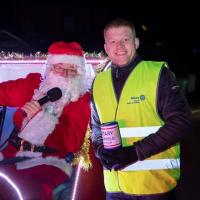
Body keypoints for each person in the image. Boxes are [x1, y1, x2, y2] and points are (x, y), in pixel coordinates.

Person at [90, 18, 192, 200]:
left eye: (125, 40)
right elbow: (96, 127)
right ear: (106, 48)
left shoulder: (158, 74)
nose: (119, 46)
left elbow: (181, 122)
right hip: (115, 187)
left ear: (136, 43)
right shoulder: (98, 82)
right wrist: (100, 150)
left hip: (154, 186)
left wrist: (134, 152)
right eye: (113, 41)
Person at [0, 41, 91, 199]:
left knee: (30, 191)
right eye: (59, 67)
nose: (64, 74)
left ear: (79, 73)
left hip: (51, 161)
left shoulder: (82, 99)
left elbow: (71, 143)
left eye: (71, 69)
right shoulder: (33, 84)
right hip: (13, 152)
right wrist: (23, 116)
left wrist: (42, 118)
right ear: (50, 68)